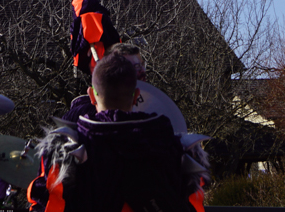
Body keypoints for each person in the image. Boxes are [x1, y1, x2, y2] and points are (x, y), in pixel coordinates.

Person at [29, 53, 205, 212]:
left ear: (91, 96)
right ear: (136, 96)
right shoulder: (176, 149)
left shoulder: (65, 151)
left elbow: (48, 205)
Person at [61, 42, 147, 123]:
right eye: (133, 67)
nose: (142, 70)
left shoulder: (153, 103)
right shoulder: (82, 116)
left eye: (142, 65)